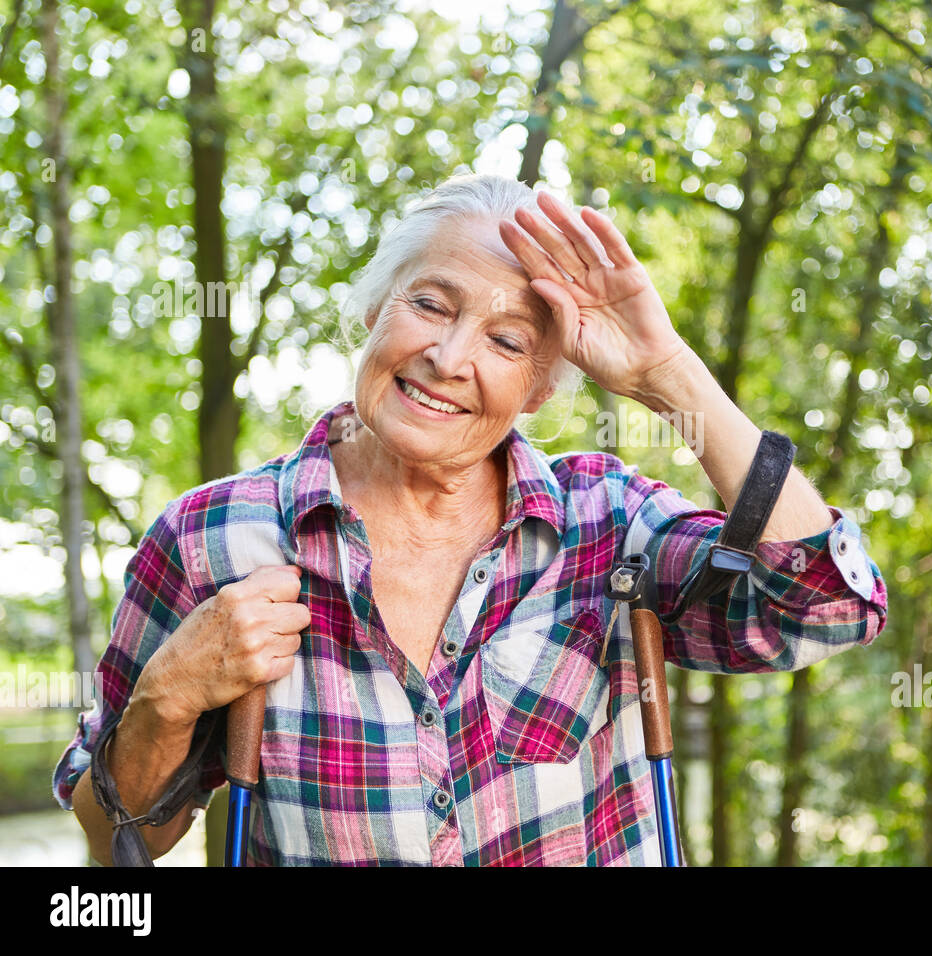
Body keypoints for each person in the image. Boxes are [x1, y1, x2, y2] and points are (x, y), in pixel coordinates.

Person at [54, 173, 887, 866]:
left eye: (508, 341)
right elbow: (118, 842)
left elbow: (826, 606)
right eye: (429, 304)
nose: (450, 360)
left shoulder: (605, 524)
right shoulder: (212, 539)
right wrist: (163, 704)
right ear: (375, 308)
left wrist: (668, 374)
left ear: (539, 391)